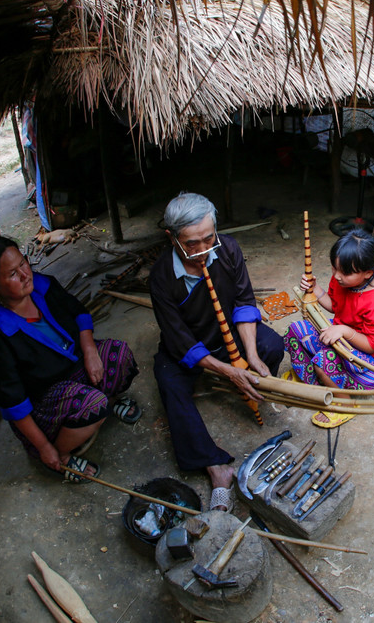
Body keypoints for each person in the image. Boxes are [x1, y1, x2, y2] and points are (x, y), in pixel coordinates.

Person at [149, 192, 284, 512]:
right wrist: (227, 370)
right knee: (170, 385)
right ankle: (213, 466)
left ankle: (248, 384)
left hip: (229, 335)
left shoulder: (228, 249)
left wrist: (250, 356)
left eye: (208, 238)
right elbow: (178, 338)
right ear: (171, 237)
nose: (202, 250)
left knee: (271, 346)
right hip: (189, 344)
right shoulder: (161, 277)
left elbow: (244, 303)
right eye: (191, 243)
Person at [0, 236, 140, 483]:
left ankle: (106, 401)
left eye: (23, 263)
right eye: (12, 274)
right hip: (44, 399)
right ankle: (60, 455)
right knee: (94, 405)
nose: (25, 275)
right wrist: (44, 447)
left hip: (75, 366)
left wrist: (90, 350)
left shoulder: (42, 285)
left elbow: (78, 312)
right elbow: (13, 400)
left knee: (120, 354)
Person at [285, 229, 374, 428]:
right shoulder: (343, 279)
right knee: (296, 330)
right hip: (343, 335)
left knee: (323, 361)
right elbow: (335, 306)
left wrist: (344, 331)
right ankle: (309, 378)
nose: (337, 276)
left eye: (345, 272)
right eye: (334, 268)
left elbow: (372, 345)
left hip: (371, 361)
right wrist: (315, 289)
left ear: (368, 273)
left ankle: (346, 404)